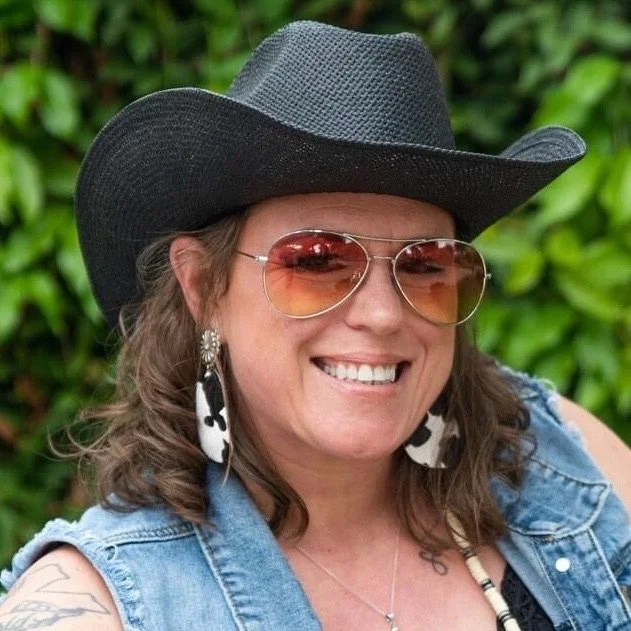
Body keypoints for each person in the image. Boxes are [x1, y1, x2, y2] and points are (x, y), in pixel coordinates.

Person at [1, 20, 630, 631]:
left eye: (426, 265)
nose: (383, 314)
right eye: (316, 261)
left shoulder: (563, 459)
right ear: (203, 288)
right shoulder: (102, 605)